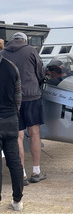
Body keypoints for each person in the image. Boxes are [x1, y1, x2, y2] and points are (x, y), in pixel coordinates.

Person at [0, 32, 46, 186]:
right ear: (25, 40)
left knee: (18, 137)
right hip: (32, 97)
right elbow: (40, 73)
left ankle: (22, 174)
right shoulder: (31, 50)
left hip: (13, 100)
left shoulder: (3, 53)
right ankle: (36, 171)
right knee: (34, 133)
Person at [0, 53, 24, 211]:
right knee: (14, 162)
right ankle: (17, 201)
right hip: (10, 118)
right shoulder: (12, 67)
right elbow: (18, 96)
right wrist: (14, 113)